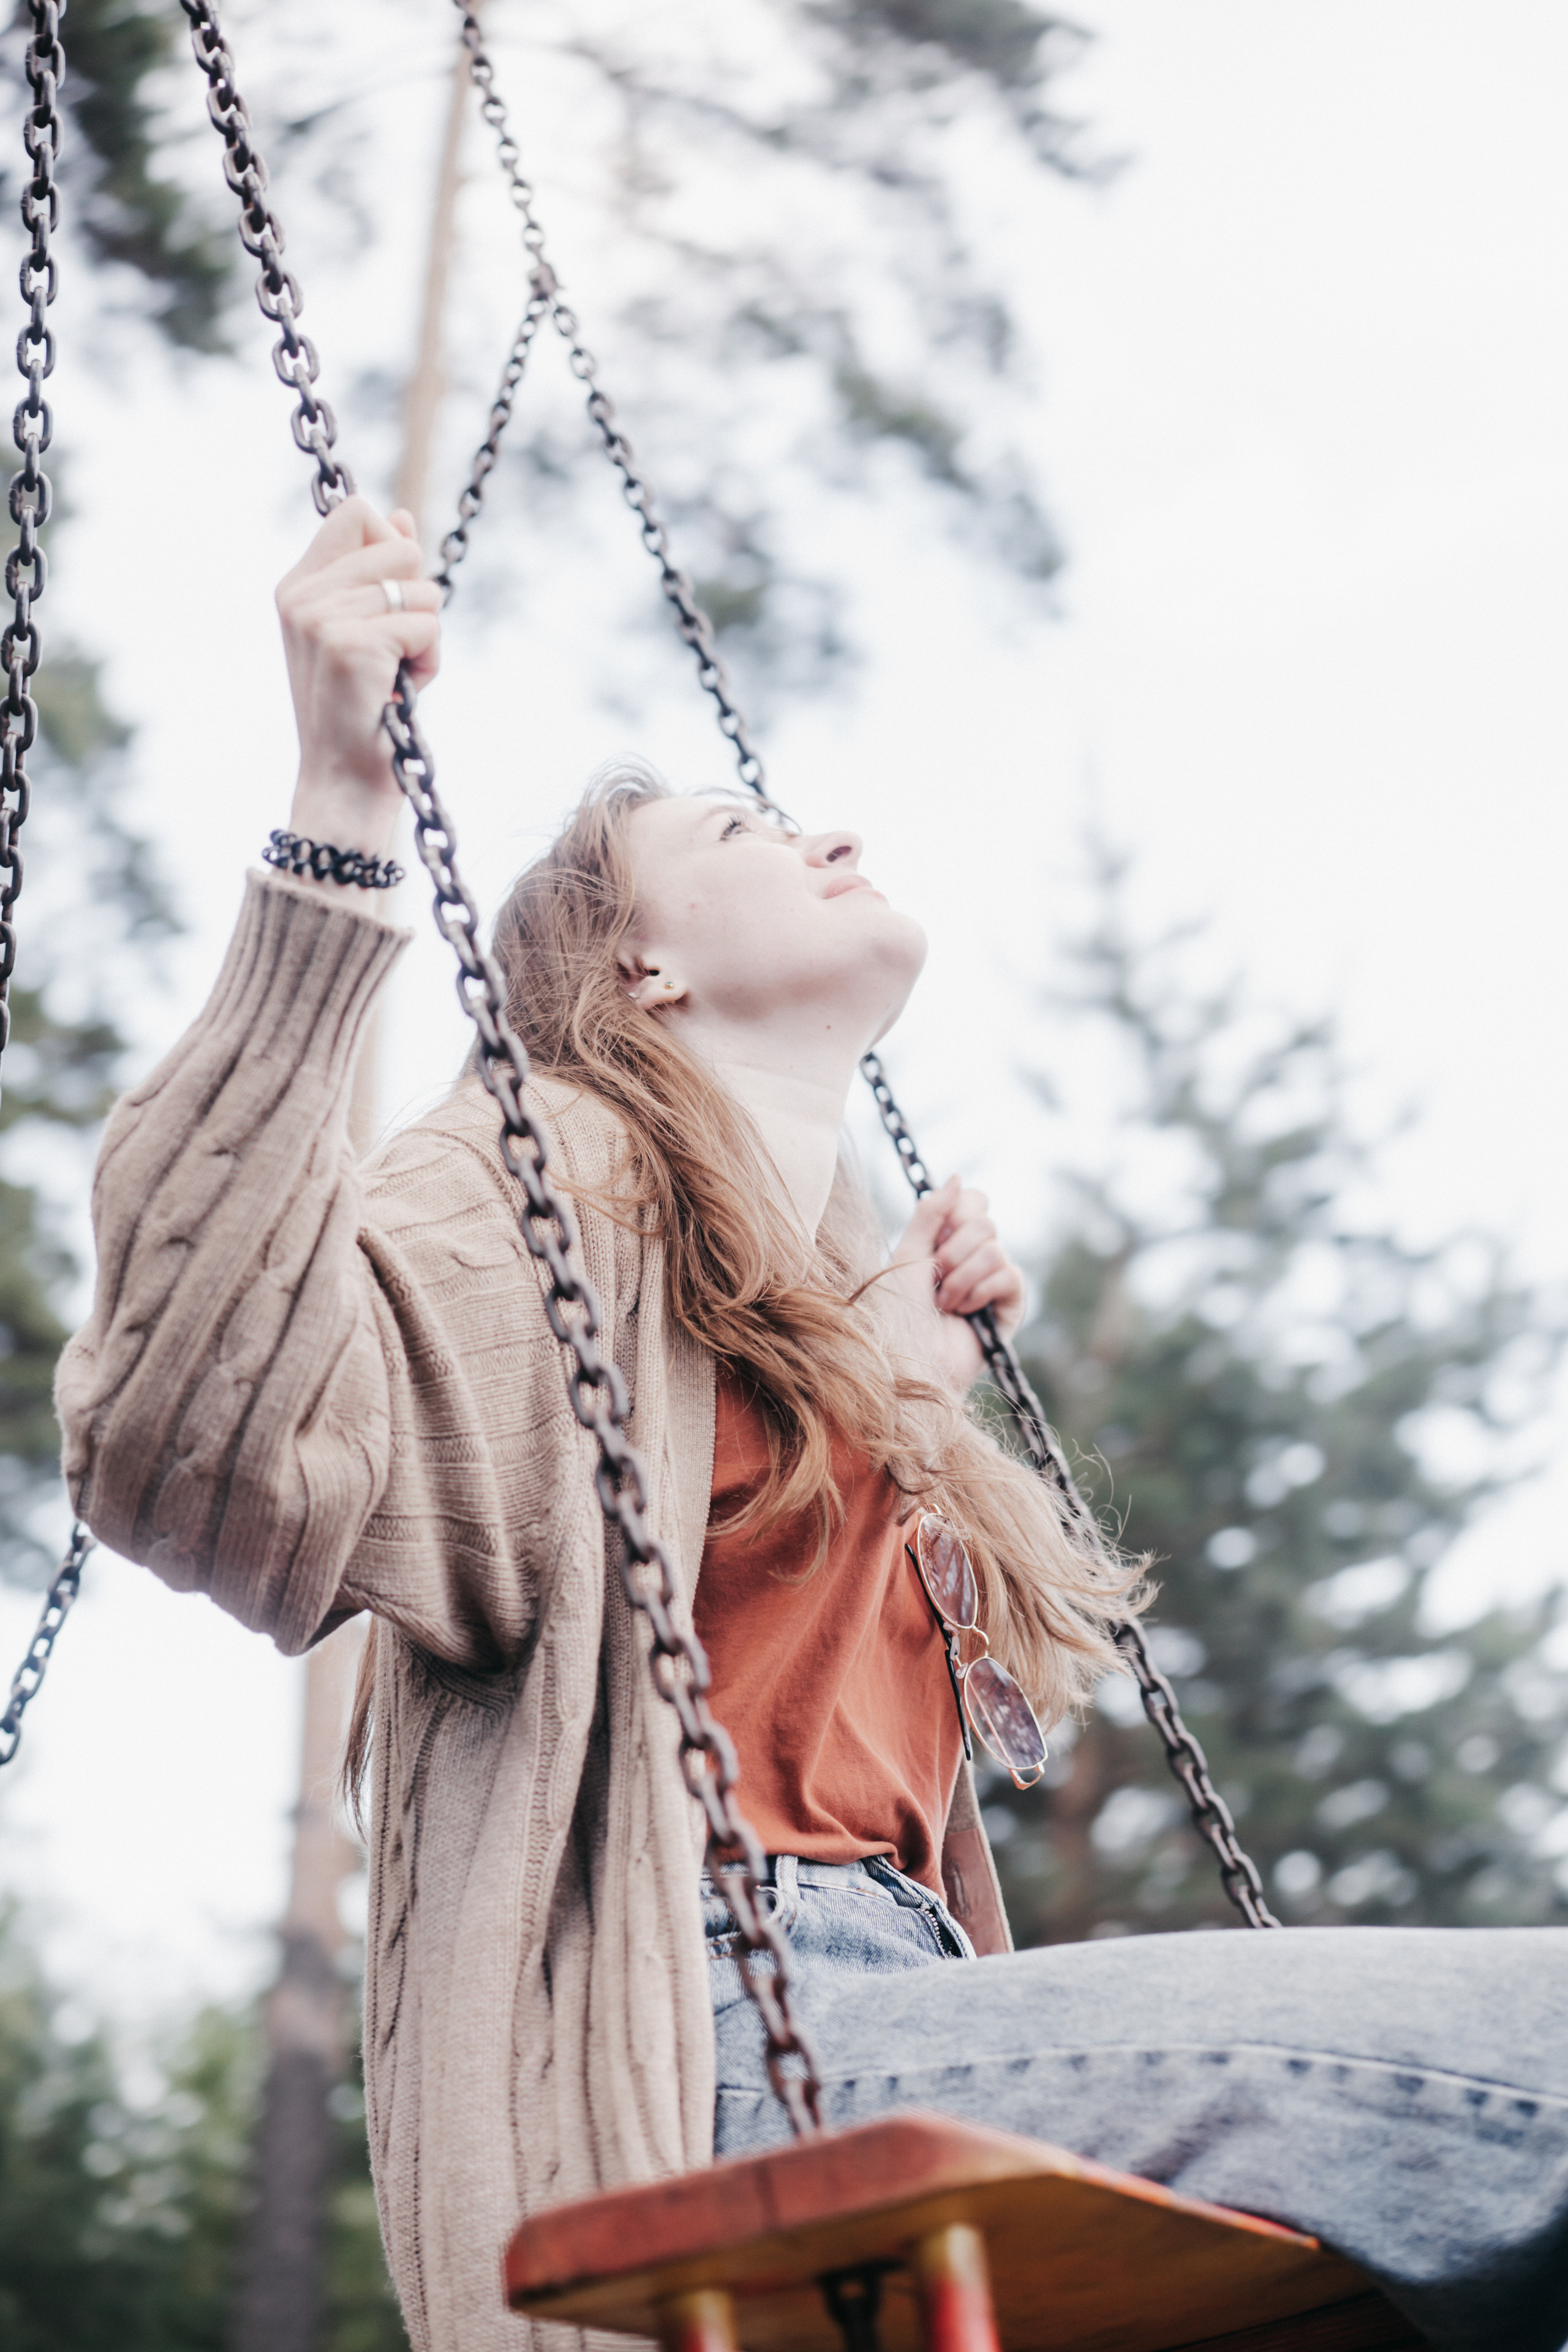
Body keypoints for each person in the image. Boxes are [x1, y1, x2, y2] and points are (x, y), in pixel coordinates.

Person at [56, 500, 1568, 2352]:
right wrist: (340, 809)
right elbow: (191, 1443)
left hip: (892, 2000)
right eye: (742, 835)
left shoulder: (803, 1313)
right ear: (641, 971)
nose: (829, 831)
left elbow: (775, 1646)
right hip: (709, 2043)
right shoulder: (549, 1176)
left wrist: (900, 1392)